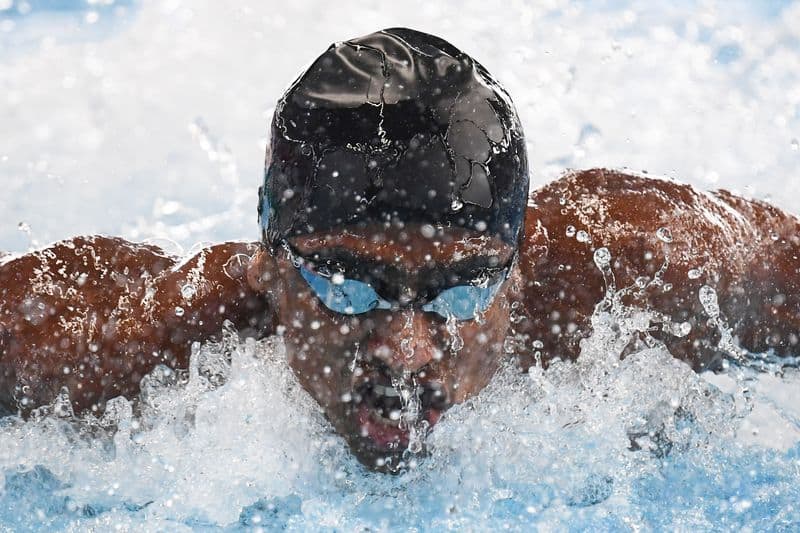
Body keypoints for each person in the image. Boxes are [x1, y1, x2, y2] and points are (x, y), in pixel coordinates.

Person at [0, 28, 798, 471]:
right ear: (266, 261)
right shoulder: (131, 345)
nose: (407, 348)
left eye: (461, 290)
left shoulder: (640, 276)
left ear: (519, 263)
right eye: (349, 287)